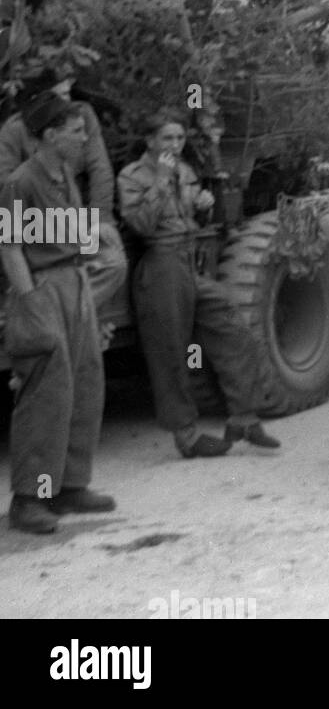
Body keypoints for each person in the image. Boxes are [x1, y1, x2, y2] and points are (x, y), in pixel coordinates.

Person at [117, 109, 279, 459]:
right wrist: (160, 180)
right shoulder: (131, 176)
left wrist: (203, 206)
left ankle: (243, 416)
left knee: (232, 328)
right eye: (167, 139)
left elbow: (191, 217)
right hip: (159, 266)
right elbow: (142, 225)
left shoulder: (185, 170)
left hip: (189, 263)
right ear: (150, 141)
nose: (175, 145)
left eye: (179, 138)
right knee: (170, 353)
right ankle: (186, 436)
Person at [1, 94, 115, 533]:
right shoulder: (21, 182)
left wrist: (88, 270)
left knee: (85, 383)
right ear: (50, 135)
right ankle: (29, 499)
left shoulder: (65, 174)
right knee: (47, 393)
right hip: (43, 288)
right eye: (76, 130)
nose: (85, 137)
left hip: (75, 283)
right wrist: (30, 300)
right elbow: (9, 245)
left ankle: (69, 486)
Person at [0, 65, 126, 330]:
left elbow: (99, 168)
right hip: (34, 223)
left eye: (68, 94)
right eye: (60, 96)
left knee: (112, 262)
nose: (68, 102)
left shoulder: (81, 118)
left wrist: (99, 219)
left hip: (72, 220)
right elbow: (8, 186)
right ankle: (50, 320)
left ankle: (70, 317)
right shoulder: (14, 132)